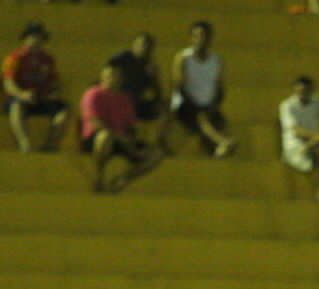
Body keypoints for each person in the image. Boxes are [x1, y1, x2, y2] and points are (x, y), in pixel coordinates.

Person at [80, 63, 163, 194]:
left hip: (121, 141)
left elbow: (131, 126)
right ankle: (99, 177)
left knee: (156, 154)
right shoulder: (92, 94)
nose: (114, 79)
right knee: (105, 136)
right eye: (110, 75)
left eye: (117, 76)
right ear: (103, 77)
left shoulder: (124, 99)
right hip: (96, 139)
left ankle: (122, 181)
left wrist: (133, 141)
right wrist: (119, 138)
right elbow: (95, 122)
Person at [169, 21, 237, 158]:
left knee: (219, 120)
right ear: (191, 38)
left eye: (203, 36)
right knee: (200, 117)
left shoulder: (216, 60)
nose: (200, 39)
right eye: (196, 36)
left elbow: (220, 88)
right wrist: (197, 105)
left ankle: (217, 150)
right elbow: (178, 87)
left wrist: (213, 104)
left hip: (208, 105)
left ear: (210, 38)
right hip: (185, 105)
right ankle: (221, 141)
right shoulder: (182, 58)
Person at [1, 22, 68, 154]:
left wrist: (53, 94)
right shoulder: (14, 58)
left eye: (40, 38)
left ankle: (50, 145)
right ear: (25, 39)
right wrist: (21, 94)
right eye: (33, 38)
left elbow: (54, 82)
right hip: (20, 97)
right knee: (16, 107)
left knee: (63, 111)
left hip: (41, 98)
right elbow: (8, 83)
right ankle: (24, 143)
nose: (36, 41)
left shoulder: (48, 60)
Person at [278, 76, 319, 201]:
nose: (302, 94)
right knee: (313, 155)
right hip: (294, 145)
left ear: (311, 90)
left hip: (316, 142)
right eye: (299, 91)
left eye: (305, 91)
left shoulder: (318, 102)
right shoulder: (287, 106)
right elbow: (296, 130)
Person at [108, 33, 165, 132]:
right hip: (117, 100)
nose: (144, 49)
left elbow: (157, 93)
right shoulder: (122, 59)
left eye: (148, 47)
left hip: (135, 102)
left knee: (161, 111)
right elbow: (107, 76)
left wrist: (153, 77)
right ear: (134, 45)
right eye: (142, 45)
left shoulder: (149, 66)